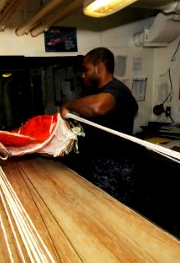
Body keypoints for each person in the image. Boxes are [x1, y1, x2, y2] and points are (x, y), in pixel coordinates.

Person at [60, 47, 141, 205]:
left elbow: (98, 107)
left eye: (86, 69)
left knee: (111, 214)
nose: (83, 74)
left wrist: (69, 105)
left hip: (113, 168)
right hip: (100, 164)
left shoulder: (117, 90)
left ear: (100, 67)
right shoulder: (98, 92)